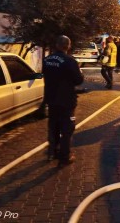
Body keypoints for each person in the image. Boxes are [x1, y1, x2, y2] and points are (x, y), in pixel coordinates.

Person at [43, 35, 84, 168]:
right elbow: (78, 80)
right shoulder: (69, 61)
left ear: (56, 45)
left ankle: (51, 152)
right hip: (66, 100)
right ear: (68, 46)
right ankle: (64, 157)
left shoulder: (47, 59)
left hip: (51, 99)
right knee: (67, 130)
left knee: (53, 127)